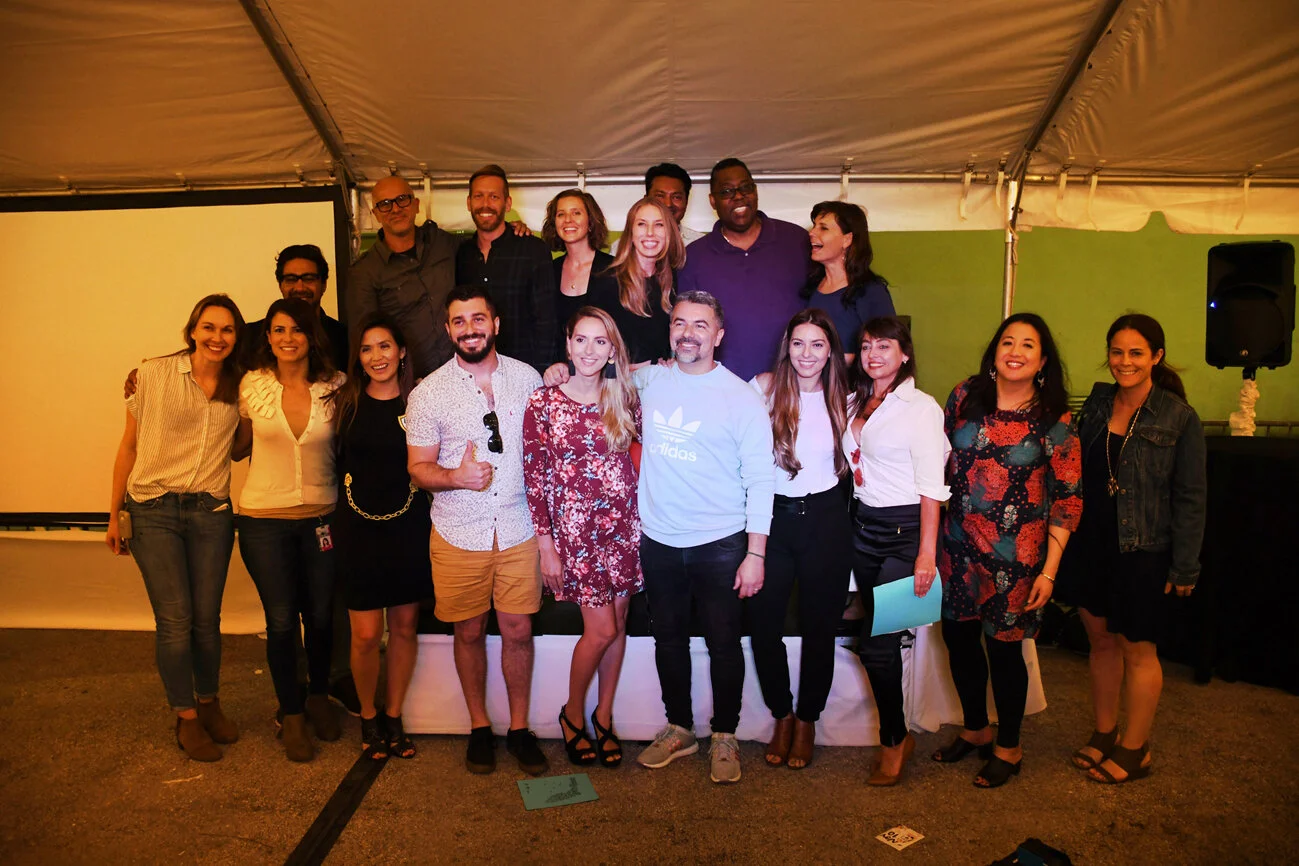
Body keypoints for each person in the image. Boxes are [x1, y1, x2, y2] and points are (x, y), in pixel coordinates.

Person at [404, 284, 549, 777]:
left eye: (478, 318)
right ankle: (480, 726)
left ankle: (520, 728)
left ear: (495, 324)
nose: (470, 329)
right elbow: (418, 469)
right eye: (459, 321)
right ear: (449, 330)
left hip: (518, 527)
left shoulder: (528, 379)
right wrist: (455, 477)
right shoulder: (428, 393)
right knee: (467, 631)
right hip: (457, 532)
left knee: (519, 630)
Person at [934, 312, 1082, 788]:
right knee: (958, 641)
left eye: (1028, 345)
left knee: (1004, 651)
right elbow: (936, 459)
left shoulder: (1054, 418)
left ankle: (1009, 746)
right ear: (994, 350)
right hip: (956, 546)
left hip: (1015, 559)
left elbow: (1069, 498)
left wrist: (1049, 572)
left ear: (1043, 360)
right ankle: (976, 729)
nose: (1015, 352)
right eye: (1007, 342)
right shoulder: (964, 395)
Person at [1057, 313, 1206, 784]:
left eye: (1136, 353)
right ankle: (1105, 733)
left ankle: (1135, 749)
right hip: (1091, 542)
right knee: (1100, 642)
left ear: (1156, 357)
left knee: (1138, 650)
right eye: (1117, 352)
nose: (1125, 361)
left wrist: (1185, 567)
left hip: (1142, 547)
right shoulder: (1098, 403)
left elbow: (1191, 497)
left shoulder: (1179, 417)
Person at [633, 291, 774, 785]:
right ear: (670, 330)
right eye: (679, 323)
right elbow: (601, 371)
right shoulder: (649, 381)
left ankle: (725, 734)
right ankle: (679, 729)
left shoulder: (741, 397)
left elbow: (761, 479)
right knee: (668, 640)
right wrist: (558, 371)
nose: (688, 333)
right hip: (659, 540)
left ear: (718, 335)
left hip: (720, 543)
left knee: (723, 644)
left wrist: (755, 553)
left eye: (700, 325)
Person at [106, 295, 246, 762]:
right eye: (209, 327)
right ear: (192, 331)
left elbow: (242, 446)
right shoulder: (152, 374)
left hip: (210, 510)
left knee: (207, 619)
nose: (217, 337)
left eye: (227, 330)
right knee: (175, 619)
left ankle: (209, 703)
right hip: (153, 509)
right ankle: (185, 716)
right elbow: (128, 446)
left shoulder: (242, 385)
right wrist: (114, 514)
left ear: (236, 338)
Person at [523, 307, 643, 769]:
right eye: (581, 339)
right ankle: (572, 714)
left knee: (619, 624)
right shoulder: (543, 402)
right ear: (568, 344)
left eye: (600, 341)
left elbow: (641, 459)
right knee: (601, 629)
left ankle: (604, 715)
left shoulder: (624, 398)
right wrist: (546, 545)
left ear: (612, 350)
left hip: (624, 529)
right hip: (577, 535)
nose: (590, 350)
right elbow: (535, 478)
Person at [234, 297, 346, 763]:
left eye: (297, 330)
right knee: (281, 620)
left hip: (322, 519)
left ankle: (318, 696)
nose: (287, 338)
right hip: (263, 521)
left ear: (311, 336)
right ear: (268, 337)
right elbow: (237, 446)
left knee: (319, 616)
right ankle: (292, 714)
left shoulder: (335, 386)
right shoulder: (251, 385)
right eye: (278, 330)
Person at [844, 316, 950, 785]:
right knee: (875, 638)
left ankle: (893, 739)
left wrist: (926, 554)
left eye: (884, 346)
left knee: (879, 645)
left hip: (906, 533)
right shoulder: (854, 399)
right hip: (863, 528)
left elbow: (932, 488)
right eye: (867, 346)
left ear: (904, 353)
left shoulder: (921, 407)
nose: (873, 355)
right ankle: (897, 733)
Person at [746, 308, 852, 771]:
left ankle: (808, 719)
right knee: (764, 626)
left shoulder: (847, 400)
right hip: (772, 520)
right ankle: (782, 714)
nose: (807, 354)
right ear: (786, 347)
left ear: (830, 352)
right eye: (798, 343)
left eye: (817, 345)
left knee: (819, 628)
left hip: (826, 521)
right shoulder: (763, 389)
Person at [329, 315, 433, 760]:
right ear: (358, 357)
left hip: (408, 526)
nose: (377, 356)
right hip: (357, 529)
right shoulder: (344, 402)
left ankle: (393, 715)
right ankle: (368, 716)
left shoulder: (420, 402)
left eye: (385, 346)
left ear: (402, 351)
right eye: (367, 348)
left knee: (405, 627)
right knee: (367, 634)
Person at [676, 158, 810, 380]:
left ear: (755, 191)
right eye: (727, 191)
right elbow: (684, 329)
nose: (738, 196)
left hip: (792, 383)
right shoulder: (694, 257)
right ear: (713, 201)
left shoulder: (796, 240)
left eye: (745, 187)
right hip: (721, 386)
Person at [347, 176, 460, 379]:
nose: (395, 209)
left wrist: (513, 230)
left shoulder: (444, 243)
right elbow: (365, 339)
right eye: (385, 204)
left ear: (416, 204)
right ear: (375, 214)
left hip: (462, 374)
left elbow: (483, 246)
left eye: (402, 199)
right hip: (411, 382)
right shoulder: (364, 272)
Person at [455, 164, 558, 372]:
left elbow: (547, 321)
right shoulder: (461, 254)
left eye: (494, 197)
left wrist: (540, 374)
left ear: (507, 203)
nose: (485, 204)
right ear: (468, 202)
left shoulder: (533, 250)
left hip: (525, 371)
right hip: (475, 371)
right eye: (478, 196)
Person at [597, 197, 685, 366]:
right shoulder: (606, 281)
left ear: (669, 232)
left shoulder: (675, 279)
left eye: (659, 225)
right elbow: (595, 346)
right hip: (619, 379)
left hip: (658, 379)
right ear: (630, 232)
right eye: (642, 224)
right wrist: (636, 368)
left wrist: (671, 362)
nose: (650, 232)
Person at [801, 202, 895, 359]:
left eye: (823, 228)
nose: (811, 233)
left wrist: (839, 361)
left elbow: (887, 351)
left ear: (847, 240)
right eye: (814, 226)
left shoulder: (870, 291)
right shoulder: (810, 288)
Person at [244, 244, 349, 371]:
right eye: (291, 279)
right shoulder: (251, 336)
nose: (300, 288)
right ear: (280, 285)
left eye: (308, 279)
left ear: (324, 284)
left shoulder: (344, 338)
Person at [542, 188, 615, 346]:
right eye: (561, 214)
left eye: (576, 213)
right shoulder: (548, 271)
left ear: (590, 221)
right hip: (557, 360)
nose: (568, 220)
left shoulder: (614, 269)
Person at [610, 163, 706, 252]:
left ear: (686, 201)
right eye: (660, 196)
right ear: (646, 200)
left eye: (676, 197)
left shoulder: (702, 245)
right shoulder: (622, 247)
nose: (668, 204)